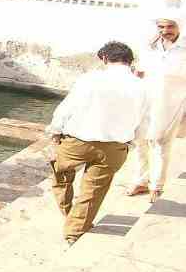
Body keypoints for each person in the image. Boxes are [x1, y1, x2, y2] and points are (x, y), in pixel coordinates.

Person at [47, 41, 147, 245]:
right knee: (93, 190)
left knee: (60, 174)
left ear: (104, 58)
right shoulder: (142, 86)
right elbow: (144, 122)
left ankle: (70, 214)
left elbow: (67, 108)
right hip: (115, 147)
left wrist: (55, 131)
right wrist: (131, 143)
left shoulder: (90, 79)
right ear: (130, 61)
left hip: (77, 143)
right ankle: (74, 232)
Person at [127, 10, 186, 202]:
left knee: (161, 143)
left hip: (172, 102)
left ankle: (157, 186)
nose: (165, 30)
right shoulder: (150, 46)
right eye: (161, 26)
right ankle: (140, 181)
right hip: (146, 100)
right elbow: (141, 71)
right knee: (140, 140)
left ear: (178, 27)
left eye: (170, 26)